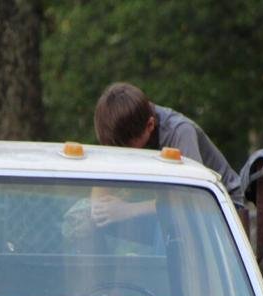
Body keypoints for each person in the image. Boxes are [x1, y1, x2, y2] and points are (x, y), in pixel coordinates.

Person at [93, 81, 244, 208]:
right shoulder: (129, 129)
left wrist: (127, 210)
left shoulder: (180, 133)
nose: (124, 156)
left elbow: (189, 197)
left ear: (150, 125)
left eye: (127, 149)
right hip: (171, 203)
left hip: (225, 206)